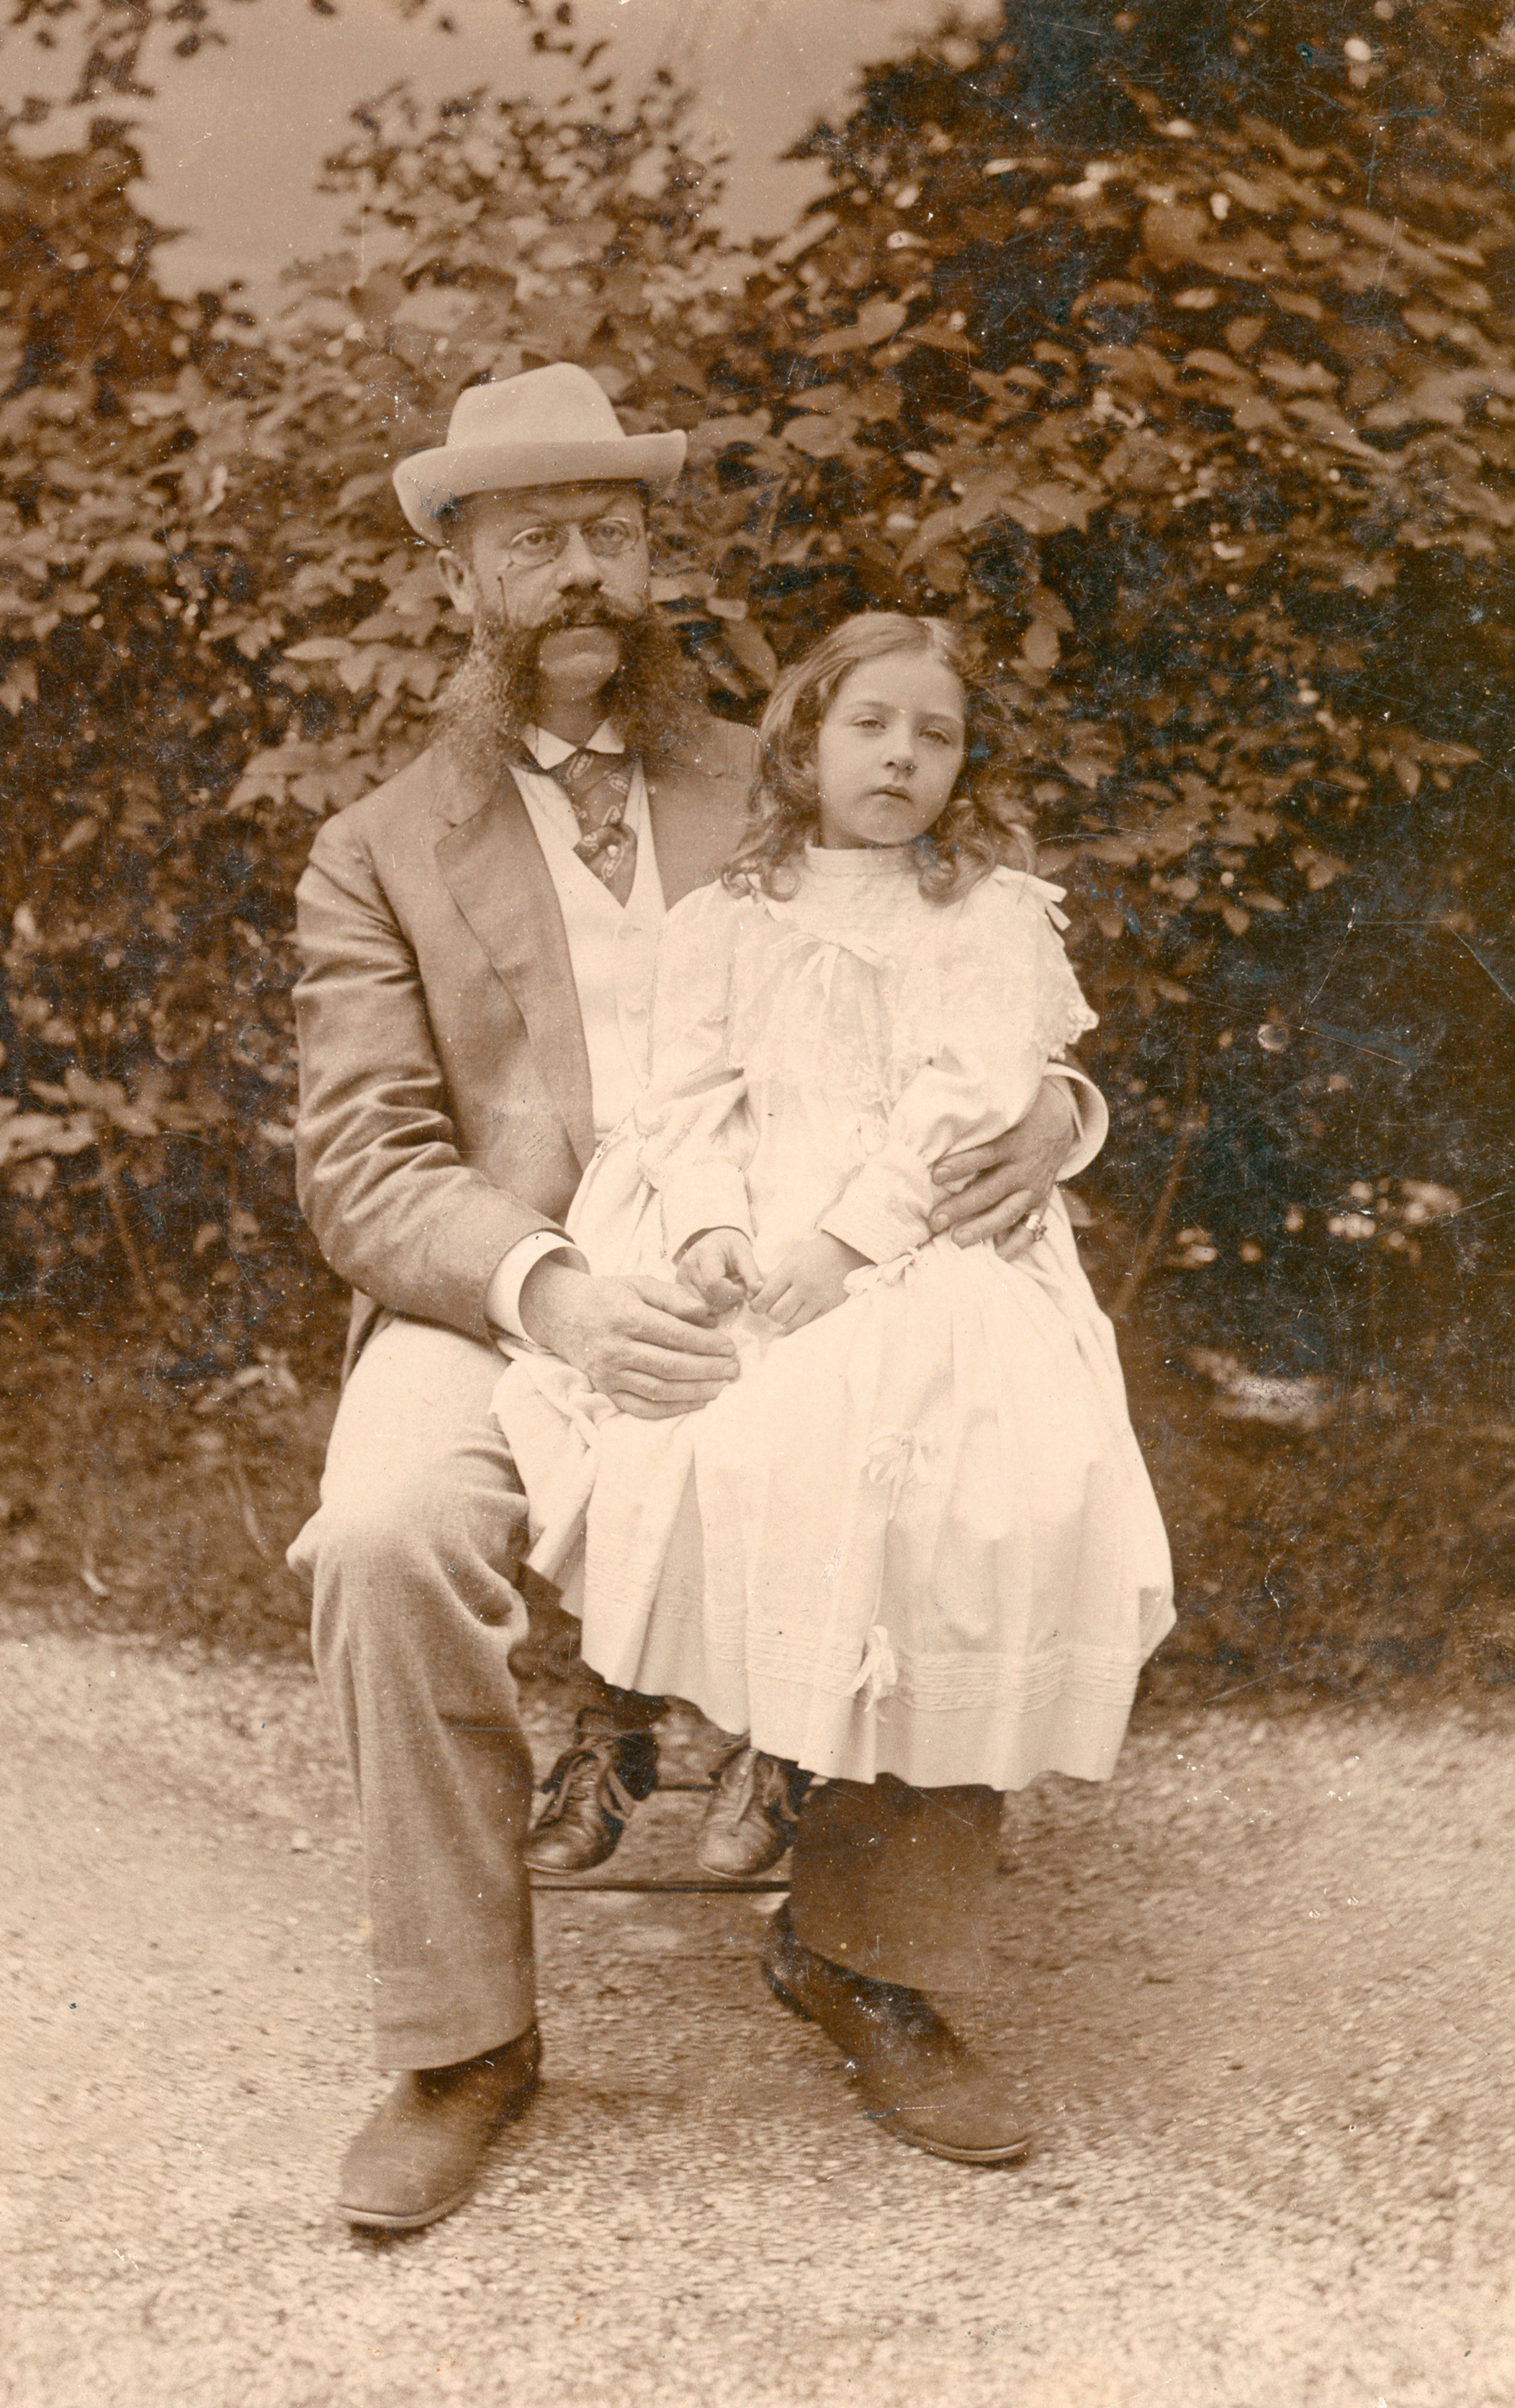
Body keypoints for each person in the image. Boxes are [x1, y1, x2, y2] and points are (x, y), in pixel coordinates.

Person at [286, 366, 1107, 2231]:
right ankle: (465, 2039)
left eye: (611, 533)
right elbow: (364, 1165)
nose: (582, 574)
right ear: (459, 579)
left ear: (653, 558)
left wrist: (1064, 1115)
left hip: (792, 1267)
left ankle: (864, 1957)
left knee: (964, 1441)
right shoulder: (382, 851)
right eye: (535, 541)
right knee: (384, 1531)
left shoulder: (793, 769)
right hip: (516, 1294)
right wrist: (547, 1287)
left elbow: (974, 974)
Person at [495, 612, 1174, 2162]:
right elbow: (681, 1103)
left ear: (965, 767)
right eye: (870, 726)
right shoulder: (728, 914)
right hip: (753, 1239)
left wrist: (837, 1247)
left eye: (935, 737)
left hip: (916, 1244)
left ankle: (859, 1934)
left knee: (969, 1469)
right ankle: (721, 1726)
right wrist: (728, 1233)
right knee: (711, 1422)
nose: (901, 758)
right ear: (800, 746)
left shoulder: (989, 916)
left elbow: (967, 1101)